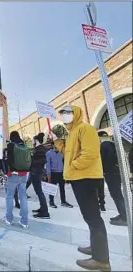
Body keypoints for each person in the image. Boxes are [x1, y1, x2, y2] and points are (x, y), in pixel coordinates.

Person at [55, 105, 110, 271]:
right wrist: (60, 145)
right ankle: (96, 247)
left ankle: (101, 260)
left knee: (94, 219)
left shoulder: (85, 128)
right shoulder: (72, 133)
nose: (65, 116)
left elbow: (90, 153)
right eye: (63, 114)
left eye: (67, 113)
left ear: (76, 113)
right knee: (91, 217)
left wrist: (73, 165)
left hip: (86, 177)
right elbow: (71, 153)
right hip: (79, 177)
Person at [98, 131, 127, 226]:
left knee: (116, 195)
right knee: (118, 195)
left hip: (110, 173)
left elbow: (101, 160)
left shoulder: (104, 146)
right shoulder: (113, 145)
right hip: (116, 172)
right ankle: (123, 214)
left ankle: (124, 217)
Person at [2, 131, 30, 229]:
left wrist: (6, 173)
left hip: (13, 175)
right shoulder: (24, 145)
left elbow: (6, 160)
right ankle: (24, 221)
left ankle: (9, 219)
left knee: (9, 197)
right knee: (23, 197)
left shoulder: (10, 146)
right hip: (24, 175)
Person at [30, 133, 50, 219]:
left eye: (34, 140)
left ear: (36, 140)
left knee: (39, 191)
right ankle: (42, 208)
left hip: (36, 172)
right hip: (36, 172)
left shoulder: (40, 149)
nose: (33, 142)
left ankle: (45, 212)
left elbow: (42, 161)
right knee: (38, 191)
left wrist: (32, 160)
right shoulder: (39, 149)